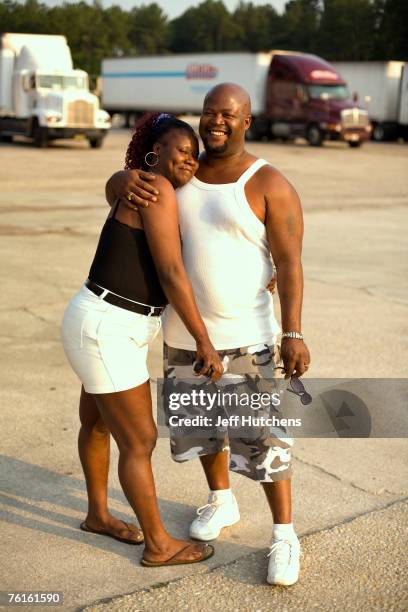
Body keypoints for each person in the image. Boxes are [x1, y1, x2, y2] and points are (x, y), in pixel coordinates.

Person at [107, 83, 311, 586]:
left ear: (247, 121)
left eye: (228, 114)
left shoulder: (270, 183)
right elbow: (124, 185)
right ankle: (220, 501)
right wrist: (117, 180)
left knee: (263, 443)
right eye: (208, 113)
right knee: (203, 433)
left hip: (248, 336)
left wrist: (294, 332)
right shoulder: (182, 172)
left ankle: (284, 536)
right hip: (184, 334)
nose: (215, 122)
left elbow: (289, 262)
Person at [61, 112, 224, 567]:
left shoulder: (144, 185)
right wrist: (204, 342)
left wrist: (117, 179)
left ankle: (97, 515)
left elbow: (118, 192)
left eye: (195, 152)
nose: (191, 158)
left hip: (101, 318)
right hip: (108, 325)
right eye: (182, 150)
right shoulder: (157, 188)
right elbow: (171, 273)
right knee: (139, 441)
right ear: (155, 154)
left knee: (96, 424)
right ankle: (158, 545)